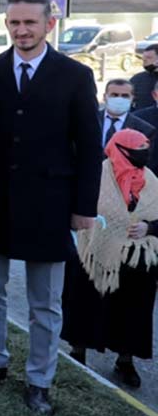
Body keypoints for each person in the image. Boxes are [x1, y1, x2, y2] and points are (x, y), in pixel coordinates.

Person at [0, 0, 101, 416]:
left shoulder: (75, 76)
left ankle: (40, 380)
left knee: (45, 304)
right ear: (7, 24)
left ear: (49, 25)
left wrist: (84, 208)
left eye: (30, 23)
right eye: (14, 22)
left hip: (51, 206)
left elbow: (90, 146)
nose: (21, 30)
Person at [62, 129, 158, 388]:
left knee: (133, 309)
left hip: (137, 257)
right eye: (138, 148)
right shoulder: (98, 174)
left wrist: (148, 228)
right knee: (86, 301)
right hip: (94, 251)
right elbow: (81, 203)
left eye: (146, 148)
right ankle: (78, 352)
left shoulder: (151, 179)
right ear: (121, 149)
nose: (144, 153)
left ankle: (125, 359)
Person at [99, 80, 156, 165]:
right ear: (105, 97)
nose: (119, 99)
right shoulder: (88, 122)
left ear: (132, 98)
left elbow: (144, 162)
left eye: (125, 96)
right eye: (114, 95)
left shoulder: (144, 130)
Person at [131, 46, 158, 111]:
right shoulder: (137, 79)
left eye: (149, 58)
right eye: (143, 58)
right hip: (141, 118)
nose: (145, 60)